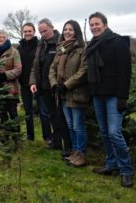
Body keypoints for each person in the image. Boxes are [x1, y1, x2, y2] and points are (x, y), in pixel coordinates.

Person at [86, 12, 133, 187]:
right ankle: (111, 164)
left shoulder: (118, 42)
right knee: (105, 132)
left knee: (114, 132)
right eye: (91, 24)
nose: (94, 27)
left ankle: (126, 170)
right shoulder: (92, 45)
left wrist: (123, 97)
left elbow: (125, 72)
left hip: (114, 96)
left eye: (97, 24)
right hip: (98, 95)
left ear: (105, 24)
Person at [49, 20, 89, 167]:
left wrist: (66, 85)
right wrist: (55, 84)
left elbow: (83, 71)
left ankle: (81, 154)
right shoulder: (61, 49)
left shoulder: (82, 49)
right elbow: (52, 69)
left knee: (78, 125)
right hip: (63, 94)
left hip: (76, 93)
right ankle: (74, 152)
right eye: (65, 29)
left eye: (70, 29)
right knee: (70, 125)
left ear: (76, 31)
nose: (67, 32)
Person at [30, 18, 71, 151]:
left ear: (52, 27)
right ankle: (57, 141)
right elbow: (35, 65)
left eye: (45, 31)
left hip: (56, 86)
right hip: (43, 86)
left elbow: (65, 63)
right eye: (41, 32)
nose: (43, 34)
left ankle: (66, 144)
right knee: (52, 115)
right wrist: (33, 82)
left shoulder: (60, 42)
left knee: (60, 115)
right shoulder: (41, 44)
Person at [0, 30, 22, 140]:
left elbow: (18, 69)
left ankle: (16, 136)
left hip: (11, 89)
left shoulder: (14, 52)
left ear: (6, 39)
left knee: (12, 113)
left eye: (1, 37)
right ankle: (4, 137)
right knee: (1, 114)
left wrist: (5, 75)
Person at [17, 23, 39, 141]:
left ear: (34, 32)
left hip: (38, 82)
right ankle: (30, 135)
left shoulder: (39, 45)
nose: (27, 33)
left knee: (44, 111)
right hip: (24, 83)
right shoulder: (19, 47)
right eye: (25, 31)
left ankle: (48, 137)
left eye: (29, 31)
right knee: (27, 110)